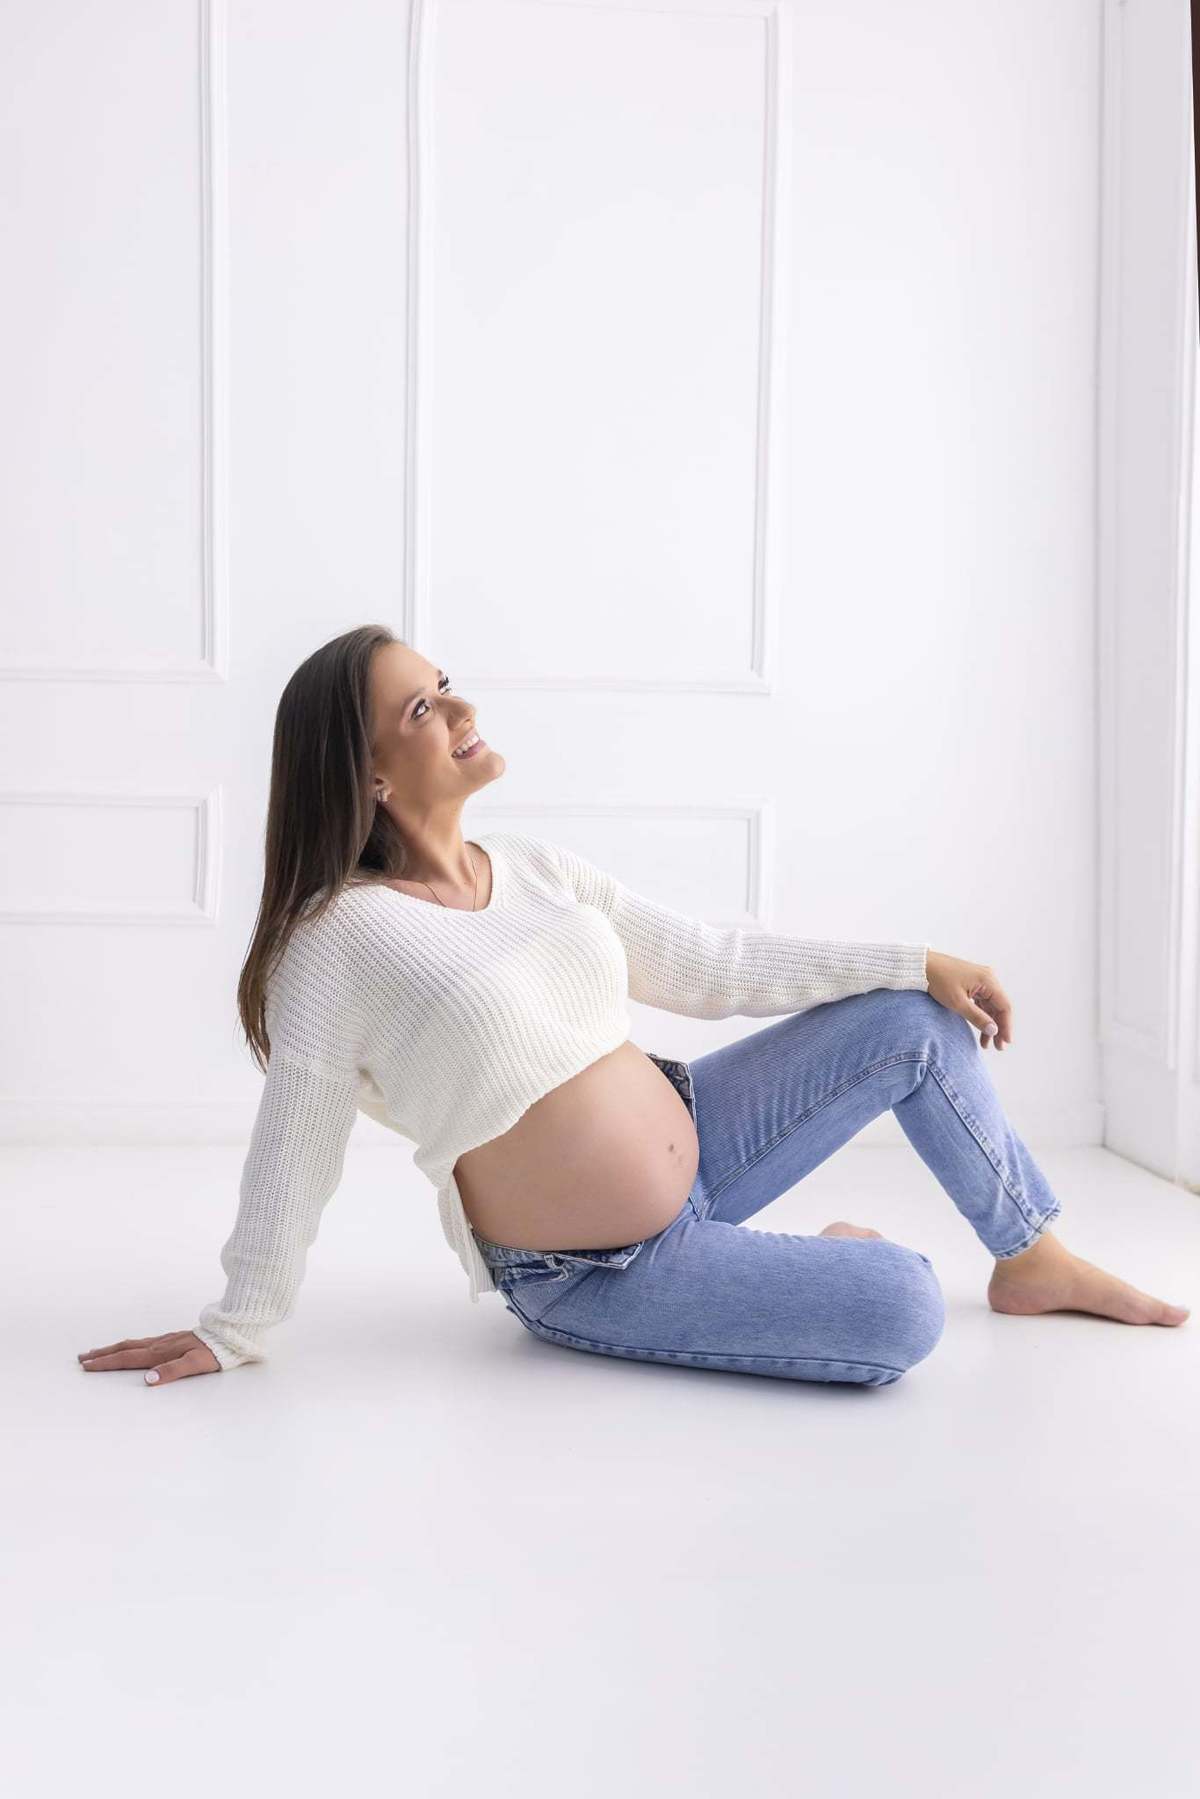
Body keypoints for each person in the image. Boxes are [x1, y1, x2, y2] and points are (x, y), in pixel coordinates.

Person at [77, 627, 1190, 1389]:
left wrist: (914, 956)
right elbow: (295, 1142)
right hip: (599, 1271)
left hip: (701, 1129)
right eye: (423, 706)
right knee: (904, 1309)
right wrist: (238, 1325)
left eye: (447, 681)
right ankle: (825, 1261)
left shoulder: (531, 865)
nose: (462, 706)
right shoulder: (340, 938)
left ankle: (1031, 1254)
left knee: (913, 1018)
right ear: (367, 775)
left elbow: (710, 962)